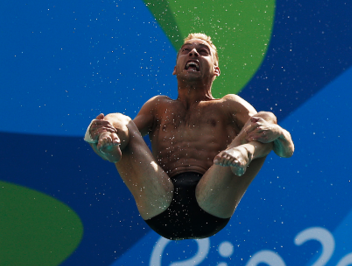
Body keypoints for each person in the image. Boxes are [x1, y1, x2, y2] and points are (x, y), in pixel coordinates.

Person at [84, 33, 294, 240]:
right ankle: (105, 142)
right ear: (175, 69)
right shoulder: (159, 106)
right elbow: (128, 132)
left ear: (216, 70)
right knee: (118, 120)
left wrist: (277, 133)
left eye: (202, 52)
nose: (193, 52)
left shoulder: (228, 105)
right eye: (186, 50)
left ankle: (246, 151)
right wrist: (108, 129)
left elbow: (286, 150)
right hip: (159, 200)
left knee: (264, 119)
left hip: (211, 201)